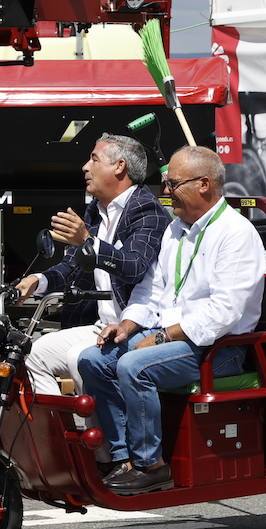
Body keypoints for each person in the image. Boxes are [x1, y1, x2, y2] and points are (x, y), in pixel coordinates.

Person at [78, 146, 266, 495]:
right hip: (177, 338)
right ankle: (124, 460)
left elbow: (224, 312)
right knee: (94, 360)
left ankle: (151, 465)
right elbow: (151, 289)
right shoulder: (176, 230)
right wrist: (128, 325)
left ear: (205, 184)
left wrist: (165, 336)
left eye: (172, 183)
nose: (164, 191)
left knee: (135, 365)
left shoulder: (235, 233)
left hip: (217, 348)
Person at [15, 134, 171, 399]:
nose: (85, 167)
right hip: (103, 326)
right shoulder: (97, 210)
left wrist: (88, 241)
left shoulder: (148, 211)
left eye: (94, 159)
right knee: (33, 353)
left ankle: (99, 436)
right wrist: (38, 280)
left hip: (140, 328)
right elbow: (71, 268)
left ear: (119, 166)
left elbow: (133, 267)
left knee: (80, 357)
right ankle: (55, 436)